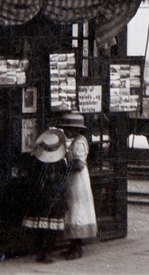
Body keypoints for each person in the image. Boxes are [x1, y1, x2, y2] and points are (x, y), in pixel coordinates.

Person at [21, 128, 68, 263]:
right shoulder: (60, 163)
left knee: (40, 226)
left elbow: (31, 177)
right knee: (51, 227)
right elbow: (64, 179)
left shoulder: (37, 161)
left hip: (41, 196)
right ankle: (47, 252)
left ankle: (41, 252)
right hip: (53, 196)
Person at [58, 112, 97, 259]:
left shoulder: (80, 142)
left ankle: (77, 247)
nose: (67, 132)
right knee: (73, 210)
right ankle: (73, 246)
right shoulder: (76, 140)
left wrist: (65, 167)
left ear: (75, 129)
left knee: (77, 211)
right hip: (74, 179)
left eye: (68, 129)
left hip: (78, 180)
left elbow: (79, 164)